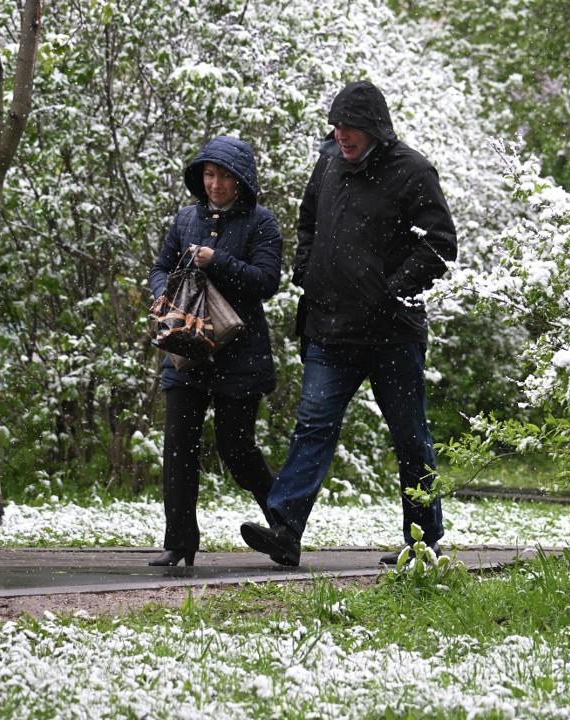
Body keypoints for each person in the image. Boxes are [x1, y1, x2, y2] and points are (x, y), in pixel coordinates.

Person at [239, 80, 458, 567]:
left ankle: (422, 543)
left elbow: (440, 244)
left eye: (350, 127)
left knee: (409, 435)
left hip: (393, 334)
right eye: (336, 126)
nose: (341, 135)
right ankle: (285, 530)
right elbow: (308, 221)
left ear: (375, 128)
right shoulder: (330, 164)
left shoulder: (413, 171)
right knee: (313, 426)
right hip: (330, 327)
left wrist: (392, 289)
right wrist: (306, 269)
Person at [148, 136, 282, 567]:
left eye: (225, 175)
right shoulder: (186, 217)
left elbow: (267, 281)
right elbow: (160, 268)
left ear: (242, 180)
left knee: (237, 449)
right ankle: (179, 542)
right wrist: (162, 297)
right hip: (186, 349)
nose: (216, 184)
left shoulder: (262, 223)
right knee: (178, 446)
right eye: (209, 174)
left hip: (240, 356)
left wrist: (215, 261)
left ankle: (285, 527)